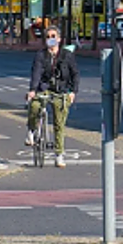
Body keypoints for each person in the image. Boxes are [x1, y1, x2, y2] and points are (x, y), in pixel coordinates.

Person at [25, 25, 79, 168]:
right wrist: (33, 90)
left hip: (61, 90)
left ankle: (59, 155)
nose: (51, 39)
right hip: (44, 88)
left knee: (59, 123)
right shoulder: (41, 55)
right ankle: (31, 130)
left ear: (59, 39)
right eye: (48, 37)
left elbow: (75, 74)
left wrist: (73, 91)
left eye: (53, 36)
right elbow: (36, 72)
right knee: (34, 106)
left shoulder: (67, 55)